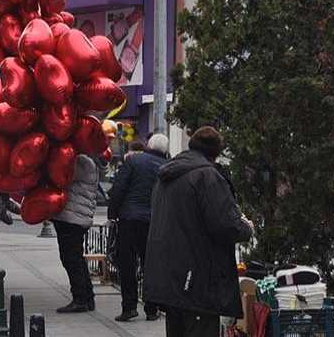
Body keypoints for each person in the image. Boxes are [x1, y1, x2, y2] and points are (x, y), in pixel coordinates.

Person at [144, 127, 253, 337]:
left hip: (169, 275)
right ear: (215, 153)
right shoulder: (206, 176)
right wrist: (246, 227)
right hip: (197, 278)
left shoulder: (168, 174)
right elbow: (227, 224)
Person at [108, 133, 168, 322]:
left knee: (127, 264)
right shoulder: (168, 167)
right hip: (154, 222)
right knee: (150, 265)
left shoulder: (134, 161)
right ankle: (151, 309)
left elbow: (119, 188)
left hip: (129, 219)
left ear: (148, 145)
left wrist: (113, 214)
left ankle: (129, 307)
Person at [52, 153, 99, 313]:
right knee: (76, 258)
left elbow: (62, 176)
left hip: (73, 217)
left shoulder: (82, 161)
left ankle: (80, 299)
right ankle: (87, 297)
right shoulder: (88, 161)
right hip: (75, 216)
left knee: (71, 259)